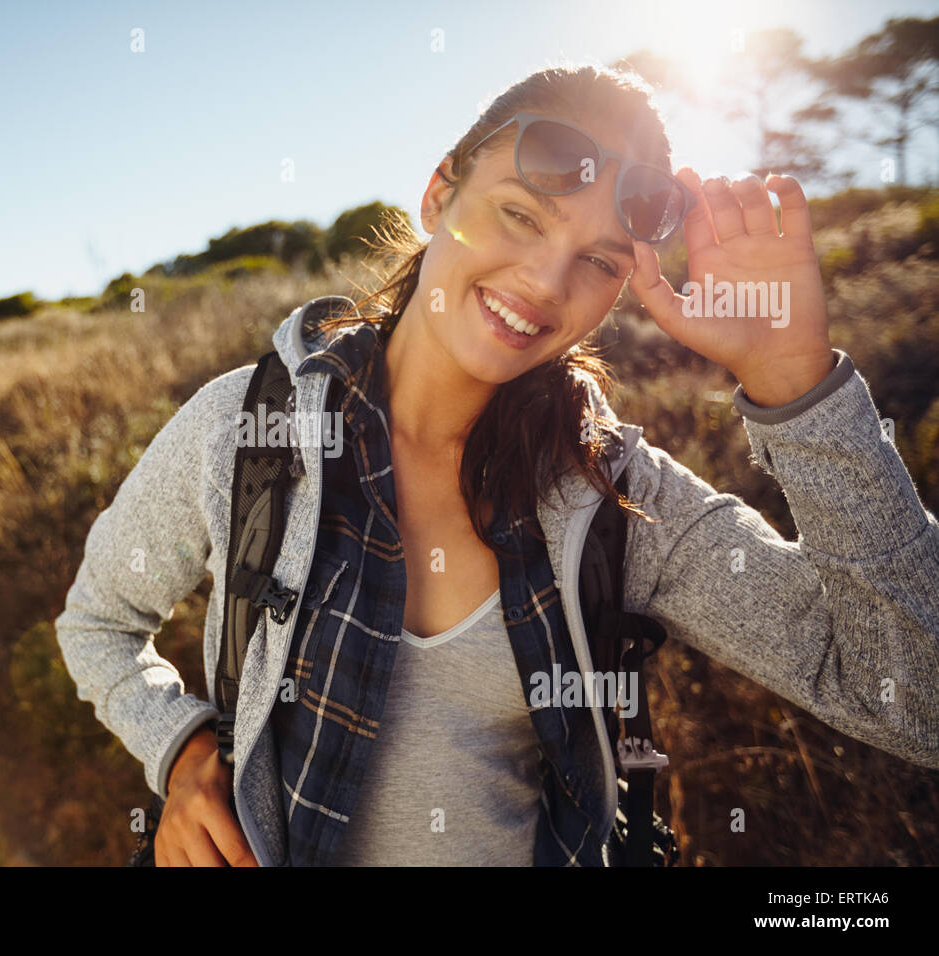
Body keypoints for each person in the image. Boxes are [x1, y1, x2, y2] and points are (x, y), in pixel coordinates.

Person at [55, 63, 939, 867]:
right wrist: (184, 752)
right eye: (521, 214)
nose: (547, 283)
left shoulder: (619, 497)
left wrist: (797, 386)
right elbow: (98, 622)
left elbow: (911, 701)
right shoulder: (248, 429)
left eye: (599, 261)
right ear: (441, 192)